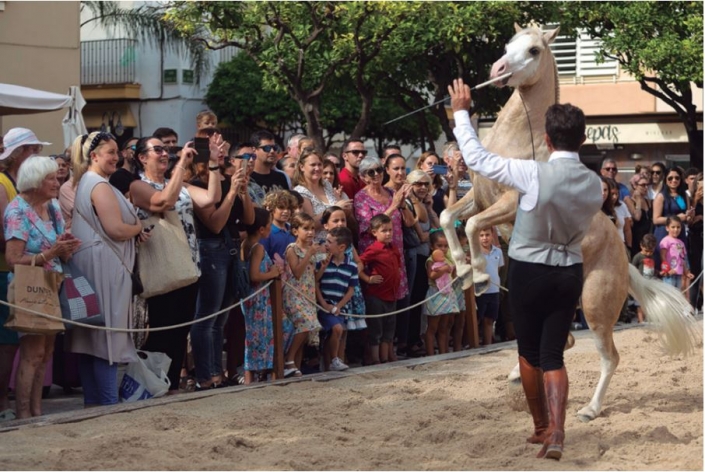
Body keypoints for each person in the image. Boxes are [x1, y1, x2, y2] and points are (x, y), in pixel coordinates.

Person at [449, 78, 603, 460]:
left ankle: (540, 426)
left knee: (529, 351)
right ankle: (558, 431)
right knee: (554, 354)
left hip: (528, 268)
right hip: (569, 270)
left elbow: (478, 159)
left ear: (548, 141)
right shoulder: (594, 184)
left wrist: (461, 113)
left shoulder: (532, 172)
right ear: (581, 141)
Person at [129, 136, 222, 394]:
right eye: (157, 149)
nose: (164, 153)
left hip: (188, 264)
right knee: (162, 328)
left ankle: (168, 384)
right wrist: (181, 162)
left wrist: (213, 163)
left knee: (181, 329)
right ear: (142, 157)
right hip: (160, 265)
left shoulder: (177, 183)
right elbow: (163, 202)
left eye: (166, 149)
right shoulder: (138, 185)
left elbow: (210, 198)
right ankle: (151, 384)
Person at [66, 132, 145, 406]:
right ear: (94, 155)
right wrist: (138, 228)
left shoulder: (90, 182)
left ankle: (93, 403)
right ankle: (109, 404)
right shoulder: (99, 185)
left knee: (91, 341)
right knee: (106, 339)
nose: (117, 157)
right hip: (104, 267)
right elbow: (116, 229)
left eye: (117, 152)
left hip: (96, 263)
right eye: (110, 152)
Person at [4, 156, 81, 418]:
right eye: (50, 178)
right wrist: (51, 254)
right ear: (35, 181)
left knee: (46, 352)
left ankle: (37, 411)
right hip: (30, 286)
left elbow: (60, 250)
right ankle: (24, 413)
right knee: (33, 352)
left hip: (52, 283)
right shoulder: (17, 210)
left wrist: (66, 246)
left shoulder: (53, 207)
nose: (57, 180)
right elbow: (13, 260)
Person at [0, 128, 50, 421]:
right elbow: (7, 239)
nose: (37, 154)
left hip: (38, 276)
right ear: (19, 153)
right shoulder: (4, 184)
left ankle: (27, 408)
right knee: (8, 344)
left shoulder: (43, 200)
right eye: (33, 149)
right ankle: (5, 404)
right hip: (10, 273)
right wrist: (48, 252)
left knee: (37, 349)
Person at [189, 151, 248, 390]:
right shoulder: (195, 185)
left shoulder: (228, 180)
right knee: (207, 317)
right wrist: (232, 192)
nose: (223, 155)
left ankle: (217, 373)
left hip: (232, 249)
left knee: (220, 319)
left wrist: (242, 191)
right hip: (211, 249)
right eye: (215, 154)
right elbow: (214, 223)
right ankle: (206, 376)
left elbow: (248, 219)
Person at [241, 207, 283, 384]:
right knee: (258, 336)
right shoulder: (257, 248)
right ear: (261, 229)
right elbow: (254, 275)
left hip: (255, 298)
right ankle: (253, 376)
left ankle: (255, 375)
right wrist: (273, 273)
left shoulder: (245, 244)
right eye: (268, 225)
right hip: (258, 299)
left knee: (255, 336)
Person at [282, 213, 323, 377]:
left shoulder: (309, 251)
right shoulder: (292, 249)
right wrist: (309, 254)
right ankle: (288, 359)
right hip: (294, 294)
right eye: (305, 229)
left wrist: (323, 266)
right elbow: (297, 272)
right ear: (295, 231)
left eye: (312, 228)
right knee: (307, 324)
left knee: (303, 331)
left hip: (308, 295)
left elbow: (313, 277)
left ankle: (294, 367)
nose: (310, 232)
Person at [360, 214, 401, 365]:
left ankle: (384, 359)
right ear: (374, 232)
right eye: (384, 231)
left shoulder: (394, 248)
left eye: (390, 230)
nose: (388, 233)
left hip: (392, 295)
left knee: (389, 329)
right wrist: (367, 278)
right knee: (375, 329)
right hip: (376, 295)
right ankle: (375, 359)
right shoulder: (373, 249)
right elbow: (359, 263)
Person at [315, 226, 357, 372]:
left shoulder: (351, 265)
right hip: (324, 306)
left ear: (341, 247)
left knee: (337, 334)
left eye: (329, 242)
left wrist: (339, 306)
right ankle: (334, 360)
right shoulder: (322, 262)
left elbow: (351, 289)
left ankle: (328, 365)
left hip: (340, 308)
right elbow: (316, 283)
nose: (325, 244)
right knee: (337, 329)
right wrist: (324, 304)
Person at [293, 150, 353, 241]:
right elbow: (310, 224)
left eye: (319, 164)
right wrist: (335, 207)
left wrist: (345, 208)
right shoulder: (300, 192)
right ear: (302, 167)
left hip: (337, 241)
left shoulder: (327, 185)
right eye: (313, 165)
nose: (317, 168)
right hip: (317, 245)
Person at [422, 231, 457, 356]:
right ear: (432, 246)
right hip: (436, 294)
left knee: (445, 326)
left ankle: (444, 353)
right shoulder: (431, 260)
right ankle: (431, 354)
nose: (443, 249)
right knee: (432, 327)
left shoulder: (448, 259)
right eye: (439, 245)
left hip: (448, 294)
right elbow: (431, 275)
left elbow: (453, 275)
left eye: (445, 246)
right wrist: (444, 269)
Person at [476, 227, 504, 346]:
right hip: (480, 291)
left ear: (492, 235)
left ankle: (488, 344)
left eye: (487, 235)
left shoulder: (498, 252)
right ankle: (474, 343)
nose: (484, 238)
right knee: (477, 319)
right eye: (481, 235)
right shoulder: (475, 253)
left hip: (494, 290)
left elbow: (498, 268)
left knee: (489, 319)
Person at [261, 190, 298, 260]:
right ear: (271, 209)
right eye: (281, 208)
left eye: (288, 208)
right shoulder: (267, 232)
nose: (286, 211)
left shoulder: (293, 230)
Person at [659, 216, 693, 291]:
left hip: (679, 274)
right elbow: (662, 256)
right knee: (669, 294)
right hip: (669, 274)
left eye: (678, 227)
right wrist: (667, 270)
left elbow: (682, 258)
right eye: (673, 227)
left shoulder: (681, 243)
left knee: (677, 294)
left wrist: (686, 272)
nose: (676, 229)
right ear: (667, 228)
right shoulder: (666, 241)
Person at [249, 130, 289, 194]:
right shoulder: (248, 179)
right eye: (267, 148)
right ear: (254, 150)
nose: (272, 151)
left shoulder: (281, 177)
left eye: (274, 147)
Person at [631, 234, 658, 323]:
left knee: (649, 302)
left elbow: (654, 269)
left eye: (651, 251)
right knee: (639, 303)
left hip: (650, 283)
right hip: (639, 283)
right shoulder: (638, 257)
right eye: (646, 251)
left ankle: (648, 318)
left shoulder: (653, 257)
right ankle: (641, 320)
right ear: (641, 246)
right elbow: (632, 268)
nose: (648, 253)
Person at [415, 151, 447, 217]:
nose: (432, 167)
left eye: (435, 165)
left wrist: (453, 188)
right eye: (429, 164)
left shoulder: (440, 190)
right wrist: (423, 176)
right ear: (421, 165)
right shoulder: (414, 185)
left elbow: (450, 209)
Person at [629, 174, 652, 260]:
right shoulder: (628, 200)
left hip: (647, 239)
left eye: (647, 185)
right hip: (636, 239)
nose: (646, 187)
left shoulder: (648, 201)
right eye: (643, 185)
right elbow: (637, 217)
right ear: (635, 186)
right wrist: (638, 200)